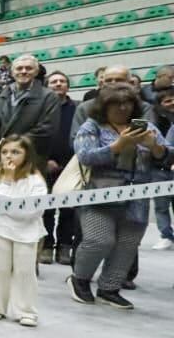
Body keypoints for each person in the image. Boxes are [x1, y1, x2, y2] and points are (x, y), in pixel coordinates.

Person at [70, 84, 168, 309]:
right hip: (99, 196)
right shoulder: (91, 126)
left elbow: (166, 156)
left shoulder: (148, 128)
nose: (123, 107)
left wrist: (155, 147)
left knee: (127, 245)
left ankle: (109, 289)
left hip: (137, 199)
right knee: (98, 241)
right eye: (116, 103)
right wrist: (118, 146)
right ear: (104, 106)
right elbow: (85, 157)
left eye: (128, 103)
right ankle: (80, 280)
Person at [0, 135, 48, 327]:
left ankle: (26, 310)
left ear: (26, 155)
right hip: (0, 230)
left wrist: (9, 202)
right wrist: (7, 182)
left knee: (25, 272)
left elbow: (30, 212)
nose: (8, 156)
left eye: (15, 152)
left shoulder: (35, 181)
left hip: (27, 234)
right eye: (4, 152)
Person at [0, 54, 57, 167]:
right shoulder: (0, 97)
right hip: (4, 158)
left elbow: (47, 128)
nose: (23, 71)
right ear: (12, 73)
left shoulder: (49, 96)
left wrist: (15, 144)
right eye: (19, 68)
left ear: (36, 72)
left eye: (29, 68)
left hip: (32, 158)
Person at [42, 71, 78, 264]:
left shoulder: (77, 108)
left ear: (67, 86)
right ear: (47, 86)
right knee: (46, 209)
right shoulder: (42, 108)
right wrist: (44, 160)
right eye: (53, 81)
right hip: (45, 164)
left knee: (68, 209)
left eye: (62, 81)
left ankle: (64, 246)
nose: (58, 84)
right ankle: (46, 245)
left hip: (71, 165)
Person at [73, 65, 143, 136]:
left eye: (119, 80)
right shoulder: (84, 108)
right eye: (108, 80)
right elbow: (76, 138)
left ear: (130, 83)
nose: (113, 83)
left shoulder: (143, 106)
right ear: (101, 84)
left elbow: (144, 135)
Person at [147, 88, 174, 250]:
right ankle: (166, 235)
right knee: (161, 205)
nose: (171, 103)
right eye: (167, 100)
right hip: (158, 168)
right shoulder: (154, 119)